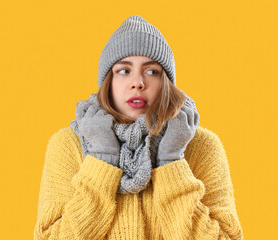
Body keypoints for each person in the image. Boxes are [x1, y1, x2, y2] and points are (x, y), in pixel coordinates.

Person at [33, 15, 244, 240]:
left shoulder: (202, 145)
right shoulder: (69, 144)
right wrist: (102, 160)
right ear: (108, 82)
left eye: (152, 71)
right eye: (124, 71)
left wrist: (172, 161)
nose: (138, 82)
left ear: (166, 84)